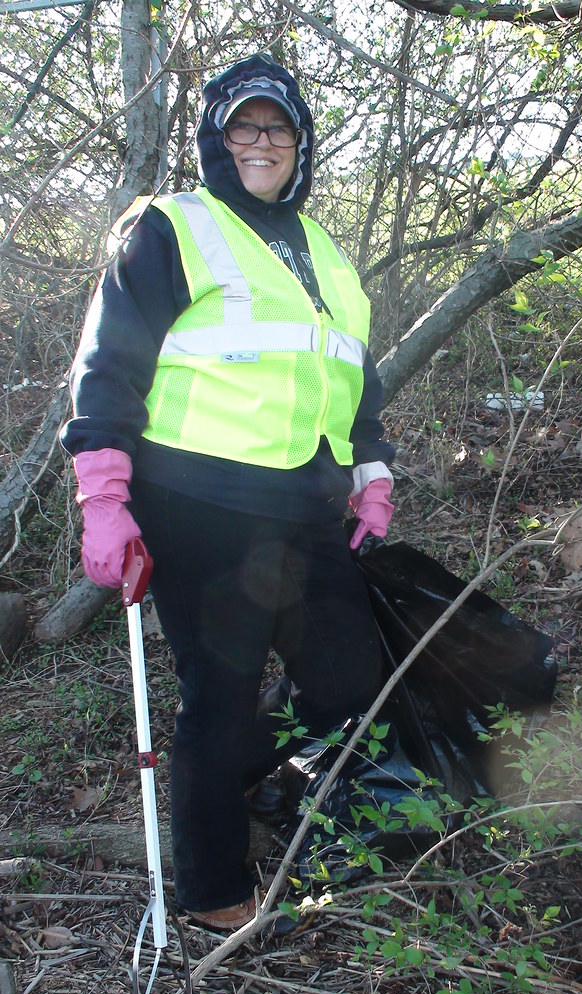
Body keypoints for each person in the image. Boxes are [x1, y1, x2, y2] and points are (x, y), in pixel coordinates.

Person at [61, 53, 395, 930]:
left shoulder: (324, 250)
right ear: (217, 138)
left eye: (277, 127)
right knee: (219, 694)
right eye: (244, 126)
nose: (261, 142)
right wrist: (103, 496)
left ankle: (239, 775)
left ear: (300, 144)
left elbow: (352, 376)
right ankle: (214, 892)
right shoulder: (172, 226)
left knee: (347, 680)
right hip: (197, 503)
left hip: (306, 503)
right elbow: (109, 364)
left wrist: (372, 471)